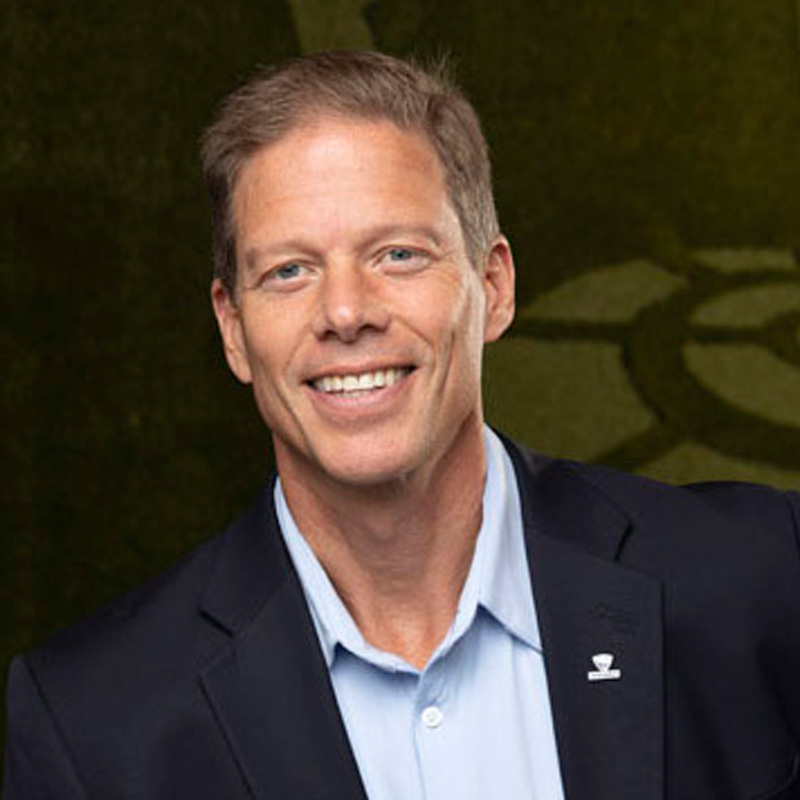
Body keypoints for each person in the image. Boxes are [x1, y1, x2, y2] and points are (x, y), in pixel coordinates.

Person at [4, 50, 800, 800]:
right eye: (289, 271)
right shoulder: (90, 728)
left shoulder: (762, 580)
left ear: (493, 286)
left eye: (398, 255)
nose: (346, 312)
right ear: (234, 329)